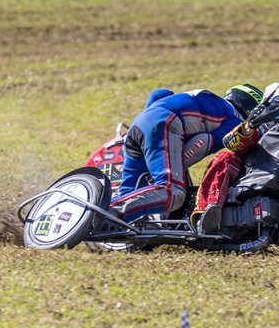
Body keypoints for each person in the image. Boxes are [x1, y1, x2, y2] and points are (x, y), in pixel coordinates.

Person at [110, 84, 264, 224]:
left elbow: (159, 93)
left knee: (128, 191)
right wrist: (179, 161)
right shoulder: (235, 119)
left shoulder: (209, 100)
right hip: (164, 124)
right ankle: (111, 214)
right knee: (173, 191)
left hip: (140, 123)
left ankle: (103, 220)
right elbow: (203, 142)